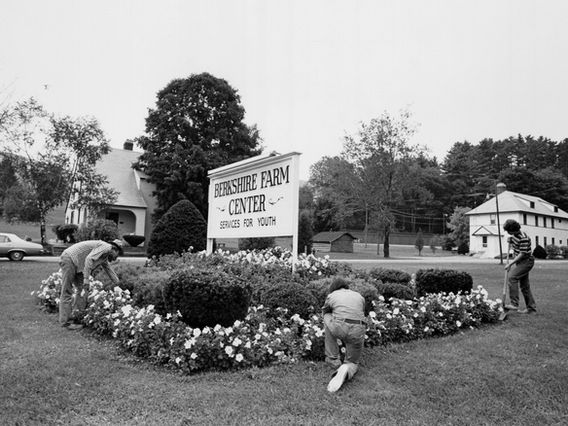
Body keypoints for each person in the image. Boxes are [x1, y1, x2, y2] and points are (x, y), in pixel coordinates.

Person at [59, 239, 124, 329]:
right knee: (67, 291)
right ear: (114, 249)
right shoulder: (106, 247)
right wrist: (86, 279)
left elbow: (108, 269)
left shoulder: (104, 256)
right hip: (69, 259)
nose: (116, 258)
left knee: (82, 290)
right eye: (118, 254)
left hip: (77, 264)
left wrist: (118, 283)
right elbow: (89, 259)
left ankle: (76, 317)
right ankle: (65, 322)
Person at [322, 277, 368, 392]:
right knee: (353, 362)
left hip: (340, 328)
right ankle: (346, 367)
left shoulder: (332, 296)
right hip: (358, 329)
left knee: (327, 316)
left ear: (333, 288)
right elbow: (362, 312)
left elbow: (325, 310)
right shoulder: (359, 296)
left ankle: (333, 359)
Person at [503, 219, 536, 314]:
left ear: (513, 229)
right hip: (520, 262)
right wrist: (510, 240)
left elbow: (522, 254)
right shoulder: (514, 236)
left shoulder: (524, 238)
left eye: (509, 231)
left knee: (512, 277)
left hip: (526, 262)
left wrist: (510, 264)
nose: (508, 233)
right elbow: (514, 243)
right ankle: (531, 309)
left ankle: (514, 304)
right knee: (525, 286)